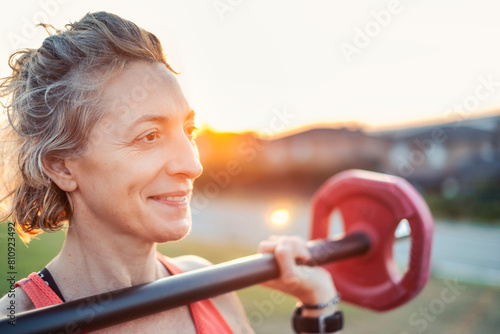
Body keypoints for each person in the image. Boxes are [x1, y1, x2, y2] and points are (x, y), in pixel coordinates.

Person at [0, 12, 341, 333]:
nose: (193, 166)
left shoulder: (208, 286)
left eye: (188, 132)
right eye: (149, 136)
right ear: (62, 166)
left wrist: (319, 304)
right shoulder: (15, 323)